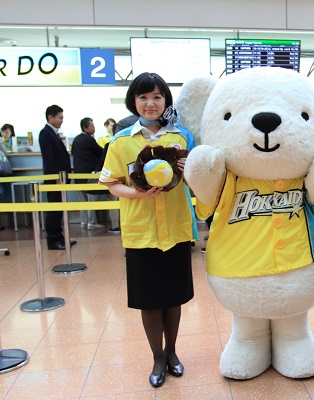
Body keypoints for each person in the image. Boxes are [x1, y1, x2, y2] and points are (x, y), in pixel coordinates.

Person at [99, 72, 194, 389]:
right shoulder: (121, 141)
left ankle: (172, 352)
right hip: (141, 232)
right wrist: (138, 193)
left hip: (177, 230)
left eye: (156, 97)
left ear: (166, 101)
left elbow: (197, 178)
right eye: (143, 97)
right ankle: (157, 357)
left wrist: (189, 167)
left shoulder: (181, 139)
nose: (150, 103)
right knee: (149, 301)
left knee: (173, 298)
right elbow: (111, 184)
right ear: (134, 102)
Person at [38, 105, 77, 250]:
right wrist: (55, 177)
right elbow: (49, 158)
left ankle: (60, 237)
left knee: (59, 208)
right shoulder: (45, 133)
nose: (62, 120)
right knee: (54, 209)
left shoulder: (53, 133)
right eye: (60, 117)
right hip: (55, 179)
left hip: (60, 178)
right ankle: (53, 240)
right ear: (50, 117)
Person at [72, 117, 104, 230]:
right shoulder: (89, 140)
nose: (94, 128)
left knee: (83, 200)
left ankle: (83, 222)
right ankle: (92, 222)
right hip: (89, 174)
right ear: (85, 127)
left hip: (77, 175)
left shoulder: (76, 140)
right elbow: (101, 152)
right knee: (92, 198)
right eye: (92, 126)